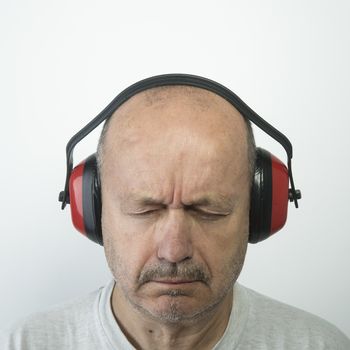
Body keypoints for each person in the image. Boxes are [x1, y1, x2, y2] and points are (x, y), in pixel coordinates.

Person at [1, 76, 349, 350]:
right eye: (145, 209)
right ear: (91, 211)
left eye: (209, 210)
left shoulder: (319, 345)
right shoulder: (26, 344)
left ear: (260, 213)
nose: (174, 249)